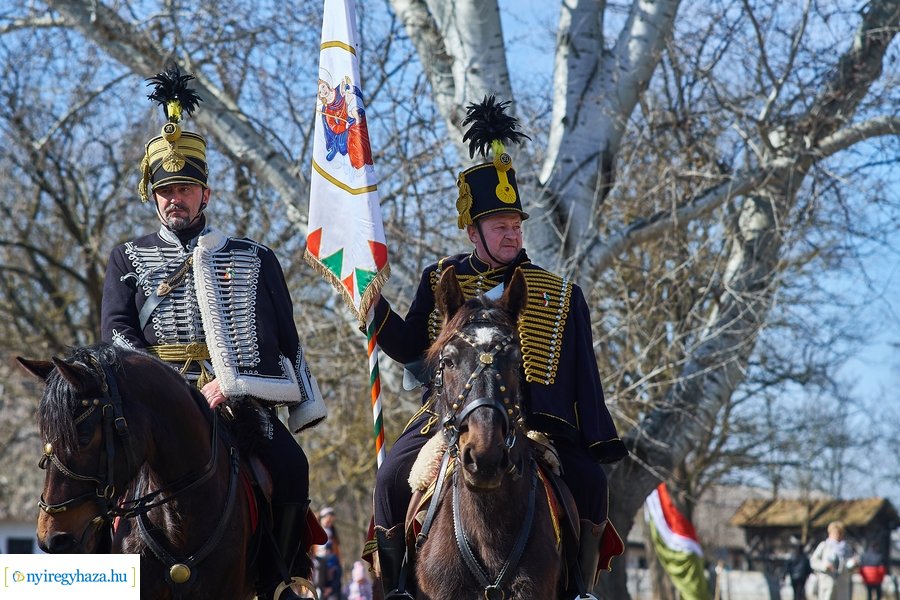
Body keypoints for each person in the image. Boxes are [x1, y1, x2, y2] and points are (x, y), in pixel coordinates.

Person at [368, 96, 629, 599]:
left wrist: (587, 438)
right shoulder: (441, 279)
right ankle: (399, 586)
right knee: (389, 479)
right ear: (473, 231)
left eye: (516, 226)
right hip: (449, 419)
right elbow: (409, 347)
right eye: (500, 227)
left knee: (592, 483)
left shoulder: (559, 293)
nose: (511, 235)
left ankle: (580, 588)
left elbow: (584, 378)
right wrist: (374, 307)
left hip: (535, 424)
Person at [100, 64, 326, 600]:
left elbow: (285, 337)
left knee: (292, 469)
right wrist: (166, 389)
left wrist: (242, 386)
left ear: (206, 193)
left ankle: (281, 580)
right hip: (158, 405)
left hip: (238, 401)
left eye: (184, 187)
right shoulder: (126, 258)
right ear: (152, 197)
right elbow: (117, 333)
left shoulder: (254, 257)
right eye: (165, 190)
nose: (174, 198)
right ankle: (94, 583)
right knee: (97, 481)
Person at [809, 521, 855, 600]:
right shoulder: (824, 546)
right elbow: (813, 561)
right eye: (835, 533)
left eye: (839, 533)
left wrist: (853, 564)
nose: (837, 535)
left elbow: (850, 564)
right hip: (827, 583)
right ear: (829, 533)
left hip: (842, 584)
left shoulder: (846, 548)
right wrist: (824, 565)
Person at [314, 506, 343, 600]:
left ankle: (330, 589)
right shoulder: (316, 533)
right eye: (327, 520)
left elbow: (337, 553)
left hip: (331, 565)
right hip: (318, 566)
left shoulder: (333, 534)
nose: (329, 523)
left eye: (331, 521)